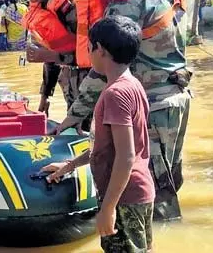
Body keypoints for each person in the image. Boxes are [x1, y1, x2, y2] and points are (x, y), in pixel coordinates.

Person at [55, 0, 191, 221]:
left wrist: (74, 114)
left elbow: (107, 61)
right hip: (177, 96)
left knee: (152, 192)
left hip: (154, 103)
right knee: (168, 181)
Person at [43, 15, 155, 253]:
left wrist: (108, 209)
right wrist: (69, 165)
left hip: (124, 198)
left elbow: (126, 157)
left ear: (100, 50)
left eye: (89, 47)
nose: (88, 54)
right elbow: (107, 148)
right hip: (138, 192)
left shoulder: (115, 94)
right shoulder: (133, 85)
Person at [13, 0, 93, 118]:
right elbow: (52, 49)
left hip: (92, 87)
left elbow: (96, 53)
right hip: (72, 85)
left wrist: (53, 56)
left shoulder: (71, 5)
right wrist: (45, 96)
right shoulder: (41, 3)